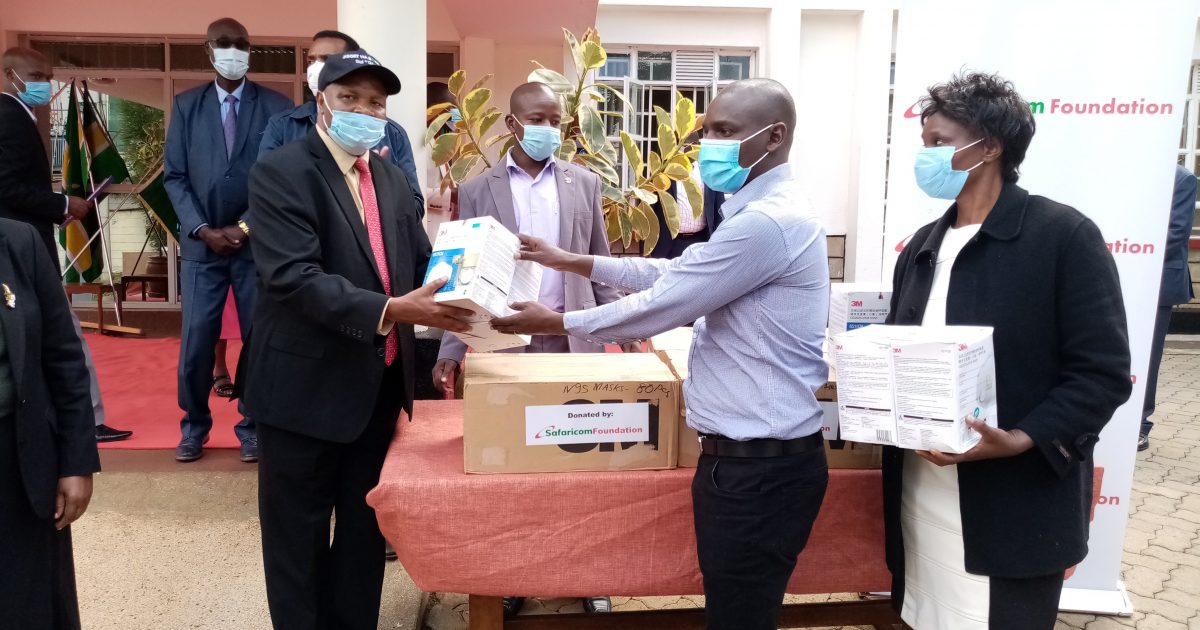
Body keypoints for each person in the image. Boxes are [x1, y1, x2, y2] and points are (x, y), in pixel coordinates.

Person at [491, 78, 830, 630]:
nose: (708, 146)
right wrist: (574, 261)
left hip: (759, 468)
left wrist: (556, 321)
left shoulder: (768, 222)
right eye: (706, 132)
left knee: (740, 617)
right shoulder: (756, 213)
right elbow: (679, 271)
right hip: (751, 461)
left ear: (774, 137)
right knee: (738, 610)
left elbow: (667, 303)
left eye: (725, 132)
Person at [882, 72, 1131, 629]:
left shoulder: (1063, 236)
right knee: (929, 615)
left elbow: (1103, 373)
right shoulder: (922, 246)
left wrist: (1023, 438)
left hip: (1014, 497)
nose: (927, 156)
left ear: (990, 147)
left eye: (940, 142)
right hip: (922, 487)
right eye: (924, 143)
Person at [245, 51, 472, 630]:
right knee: (296, 541)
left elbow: (419, 263)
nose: (365, 112)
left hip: (376, 390)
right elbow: (293, 278)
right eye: (350, 98)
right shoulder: (281, 172)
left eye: (376, 103)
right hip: (302, 392)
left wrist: (473, 294)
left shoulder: (390, 179)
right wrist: (392, 309)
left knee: (363, 535)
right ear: (321, 102)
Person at [431, 81, 630, 617]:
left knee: (582, 461)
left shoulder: (584, 183)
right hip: (508, 342)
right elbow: (460, 273)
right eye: (537, 119)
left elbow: (599, 263)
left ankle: (588, 574)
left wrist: (627, 327)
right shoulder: (478, 189)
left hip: (573, 339)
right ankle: (516, 573)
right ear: (513, 124)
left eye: (555, 121)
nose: (548, 130)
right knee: (518, 466)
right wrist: (450, 349)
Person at [165, 18, 292, 463]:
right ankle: (193, 426)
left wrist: (246, 226)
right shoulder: (186, 106)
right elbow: (174, 177)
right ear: (209, 49)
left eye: (241, 44)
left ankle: (251, 426)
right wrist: (201, 229)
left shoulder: (276, 106)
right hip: (201, 247)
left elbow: (282, 177)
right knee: (197, 341)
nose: (233, 51)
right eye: (224, 43)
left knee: (258, 339)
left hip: (254, 246)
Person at [0, 46, 133, 444]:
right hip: (23, 252)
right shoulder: (8, 117)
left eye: (47, 76)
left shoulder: (20, 115)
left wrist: (58, 210)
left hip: (24, 246)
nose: (44, 84)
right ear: (9, 75)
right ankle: (86, 421)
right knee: (64, 333)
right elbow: (6, 187)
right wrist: (61, 204)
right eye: (36, 76)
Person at [0, 217, 100, 630]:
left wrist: (76, 461)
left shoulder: (18, 243)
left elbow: (63, 356)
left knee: (27, 603)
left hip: (17, 459)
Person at [258, 30, 424, 213]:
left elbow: (414, 208)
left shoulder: (393, 134)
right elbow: (268, 200)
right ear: (321, 102)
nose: (316, 68)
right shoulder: (283, 126)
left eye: (327, 59)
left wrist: (381, 190)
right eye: (311, 61)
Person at [1139, 165, 1196, 451]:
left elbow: (1176, 233)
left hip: (1158, 282)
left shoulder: (1182, 179)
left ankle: (1140, 424)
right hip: (1120, 277)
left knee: (1148, 358)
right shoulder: (1131, 173)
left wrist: (1131, 250)